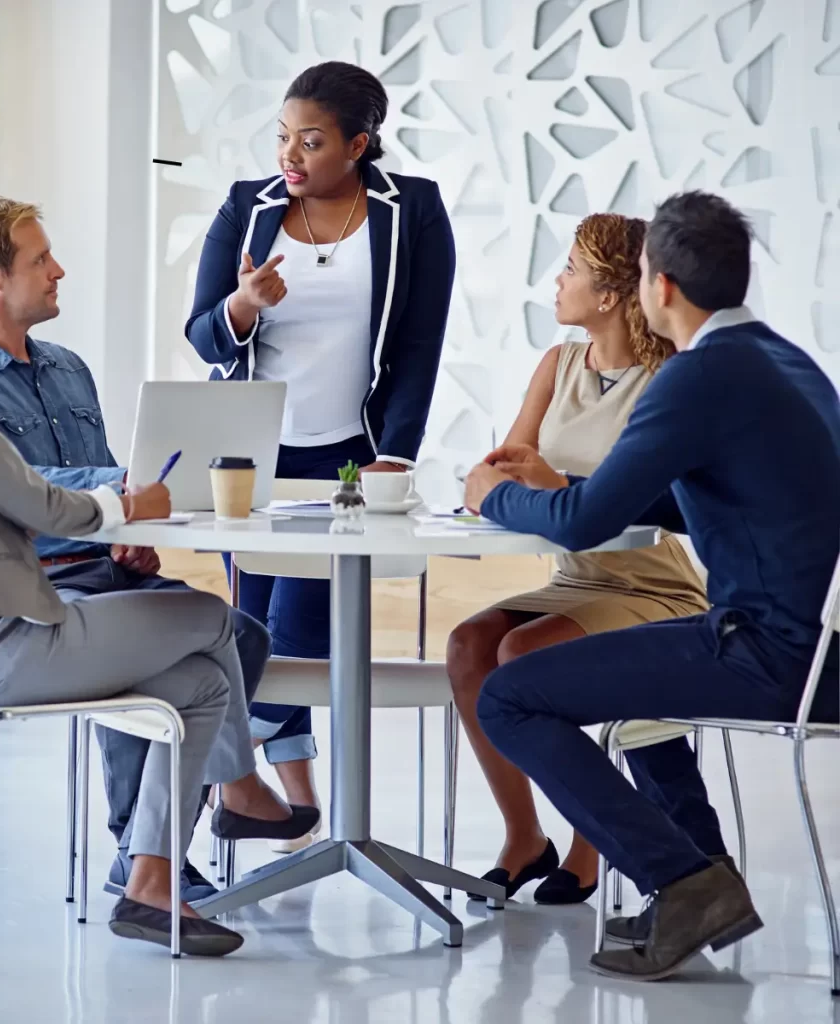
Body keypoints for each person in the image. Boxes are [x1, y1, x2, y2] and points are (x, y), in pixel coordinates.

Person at [0, 221, 318, 956]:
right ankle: (234, 792)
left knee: (199, 684)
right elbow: (33, 501)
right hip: (7, 645)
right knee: (213, 618)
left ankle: (150, 880)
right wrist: (127, 506)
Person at [462, 191, 840, 982]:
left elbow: (583, 524)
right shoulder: (786, 362)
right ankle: (701, 871)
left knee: (510, 696)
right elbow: (716, 495)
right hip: (813, 648)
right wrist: (568, 487)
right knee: (624, 667)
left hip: (764, 652)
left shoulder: (697, 377)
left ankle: (686, 882)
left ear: (659, 286)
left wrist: (491, 495)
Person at [0, 196, 271, 902]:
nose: (60, 270)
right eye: (40, 259)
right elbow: (14, 488)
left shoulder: (69, 369)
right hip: (32, 587)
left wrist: (130, 538)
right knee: (176, 645)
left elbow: (111, 482)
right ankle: (150, 843)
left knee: (241, 635)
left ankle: (152, 854)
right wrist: (115, 490)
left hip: (97, 567)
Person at [186, 60, 456, 845]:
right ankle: (284, 807)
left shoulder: (415, 213)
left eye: (311, 141)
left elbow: (417, 346)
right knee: (250, 629)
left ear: (359, 145)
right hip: (247, 459)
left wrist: (397, 457)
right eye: (282, 137)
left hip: (346, 459)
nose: (290, 156)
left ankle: (221, 772)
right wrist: (242, 305)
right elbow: (202, 332)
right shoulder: (248, 209)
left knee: (301, 634)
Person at [447, 213, 710, 906]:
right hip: (575, 578)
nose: (555, 282)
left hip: (651, 587)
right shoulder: (558, 364)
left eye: (569, 269)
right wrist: (506, 479)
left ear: (608, 296)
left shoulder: (670, 380)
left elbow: (640, 500)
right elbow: (501, 470)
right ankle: (522, 836)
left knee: (526, 653)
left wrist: (552, 486)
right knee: (470, 644)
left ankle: (592, 842)